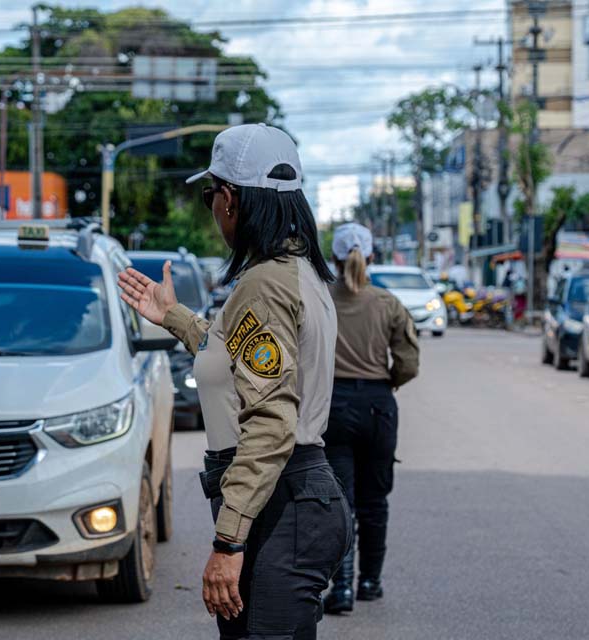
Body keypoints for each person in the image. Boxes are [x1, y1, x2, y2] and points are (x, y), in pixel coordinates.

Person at [117, 123, 351, 640]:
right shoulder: (294, 271)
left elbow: (270, 421)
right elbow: (236, 357)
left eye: (210, 196)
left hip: (280, 501)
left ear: (230, 199)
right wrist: (173, 315)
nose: (213, 208)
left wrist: (228, 543)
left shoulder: (264, 284)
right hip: (291, 498)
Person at [321, 223, 420, 615]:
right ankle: (370, 582)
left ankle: (340, 588)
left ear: (333, 258)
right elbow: (409, 363)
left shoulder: (321, 300)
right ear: (373, 257)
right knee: (374, 502)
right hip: (379, 407)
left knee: (340, 503)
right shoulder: (388, 303)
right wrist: (385, 384)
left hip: (333, 407)